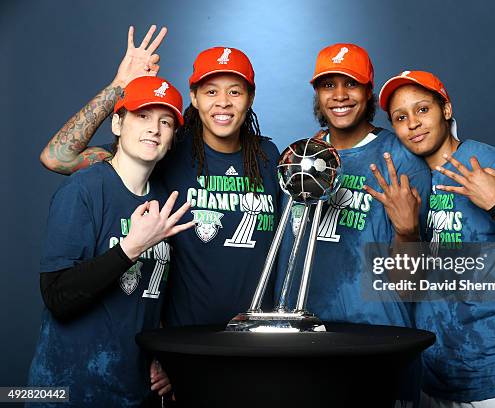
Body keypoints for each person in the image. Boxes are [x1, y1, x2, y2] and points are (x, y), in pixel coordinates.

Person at [39, 27, 281, 327]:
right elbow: (58, 157)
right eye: (210, 91)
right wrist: (120, 86)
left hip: (257, 339)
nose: (223, 102)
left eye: (235, 91)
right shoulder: (168, 149)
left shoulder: (269, 156)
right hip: (186, 343)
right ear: (193, 96)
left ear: (250, 97)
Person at [376, 69, 495, 407]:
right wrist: (406, 232)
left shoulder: (490, 163)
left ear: (446, 110)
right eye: (400, 117)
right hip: (435, 376)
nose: (413, 123)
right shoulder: (412, 182)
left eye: (423, 110)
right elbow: (407, 288)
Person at [274, 44, 430, 406]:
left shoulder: (401, 156)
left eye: (351, 84)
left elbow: (416, 283)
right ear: (316, 93)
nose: (340, 96)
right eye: (328, 85)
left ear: (369, 92)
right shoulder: (298, 156)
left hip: (378, 343)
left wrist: (408, 232)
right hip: (304, 343)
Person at [28, 75, 193, 407]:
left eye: (165, 121)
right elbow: (57, 297)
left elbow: (150, 297)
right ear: (118, 124)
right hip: (68, 391)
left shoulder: (163, 201)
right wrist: (130, 247)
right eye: (142, 116)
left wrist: (161, 355)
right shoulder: (83, 190)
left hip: (131, 391)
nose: (154, 129)